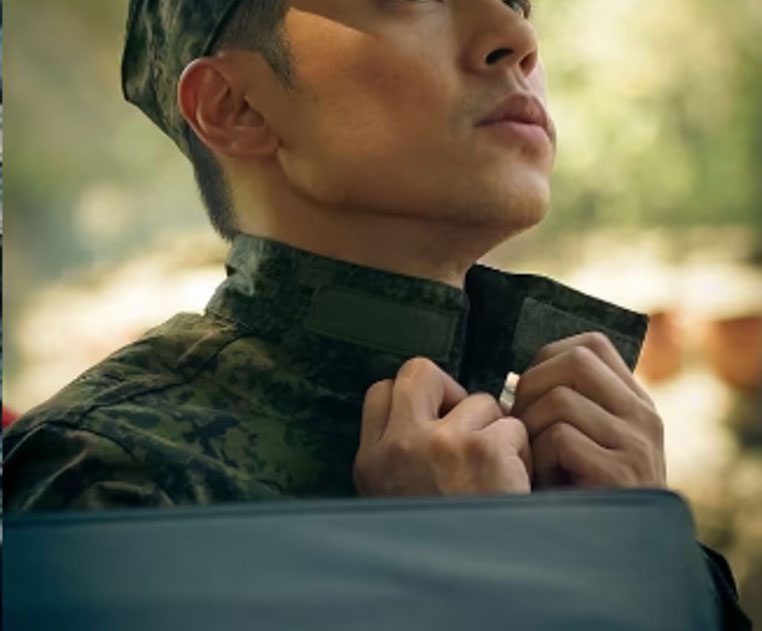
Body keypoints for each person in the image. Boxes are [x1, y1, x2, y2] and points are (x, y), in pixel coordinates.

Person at [3, 1, 749, 625]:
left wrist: (653, 561)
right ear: (237, 106)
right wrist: (447, 581)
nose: (516, 36)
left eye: (518, 0)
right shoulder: (108, 483)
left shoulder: (601, 456)